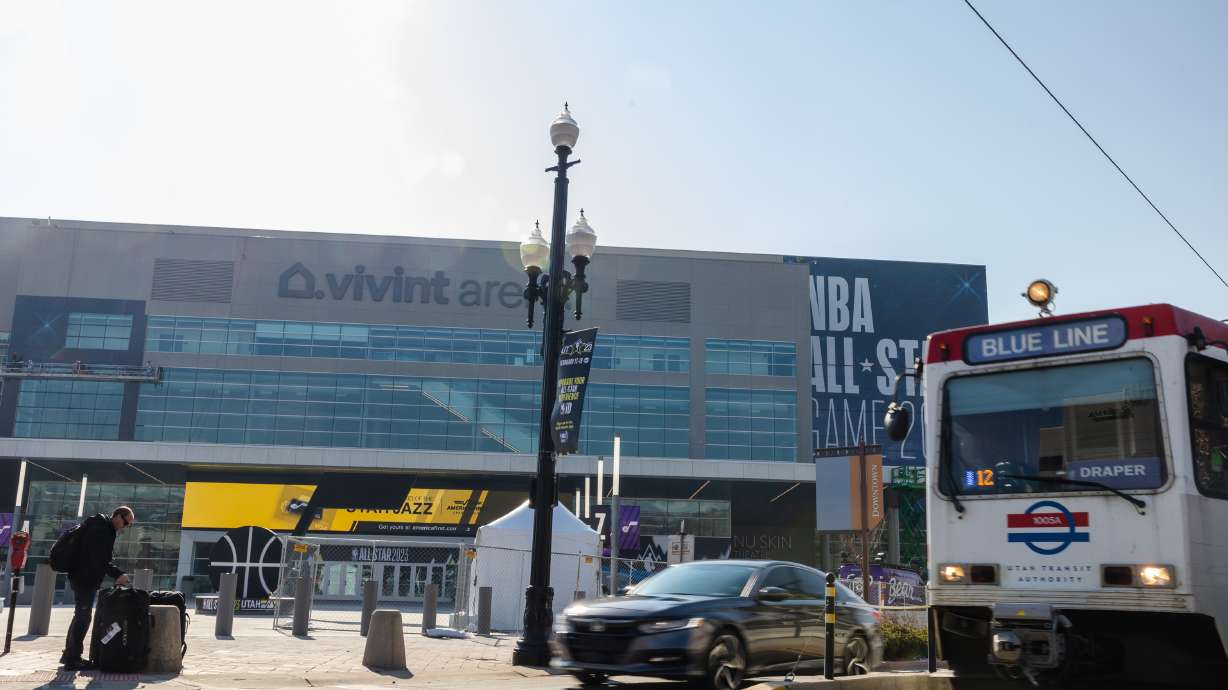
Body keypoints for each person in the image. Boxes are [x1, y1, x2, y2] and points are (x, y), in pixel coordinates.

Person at [60, 506, 135, 671]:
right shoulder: (102, 529)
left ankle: (69, 654)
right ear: (117, 515)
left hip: (82, 576)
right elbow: (98, 559)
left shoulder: (102, 527)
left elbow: (98, 558)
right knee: (83, 617)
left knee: (80, 616)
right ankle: (73, 659)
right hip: (84, 578)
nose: (125, 527)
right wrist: (118, 574)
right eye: (125, 522)